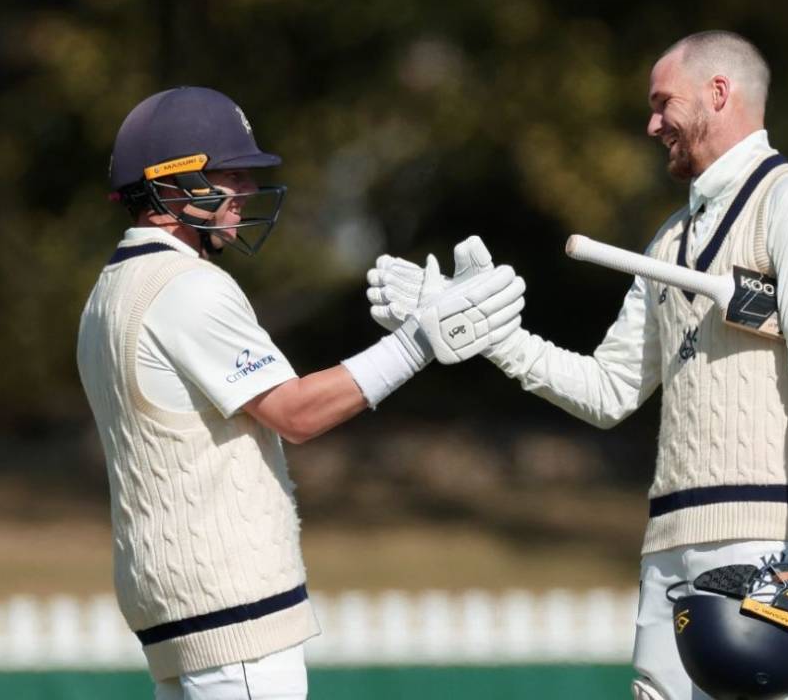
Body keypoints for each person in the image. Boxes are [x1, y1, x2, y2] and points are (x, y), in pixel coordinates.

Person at [366, 31, 788, 699]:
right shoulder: (669, 240)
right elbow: (609, 389)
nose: (651, 123)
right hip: (670, 543)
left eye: (663, 103)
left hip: (768, 540)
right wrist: (489, 334)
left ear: (718, 93)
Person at [76, 86, 525, 700]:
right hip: (232, 609)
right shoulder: (186, 285)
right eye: (231, 175)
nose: (248, 194)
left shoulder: (108, 293)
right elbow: (296, 412)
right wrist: (421, 342)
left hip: (170, 606)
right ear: (173, 185)